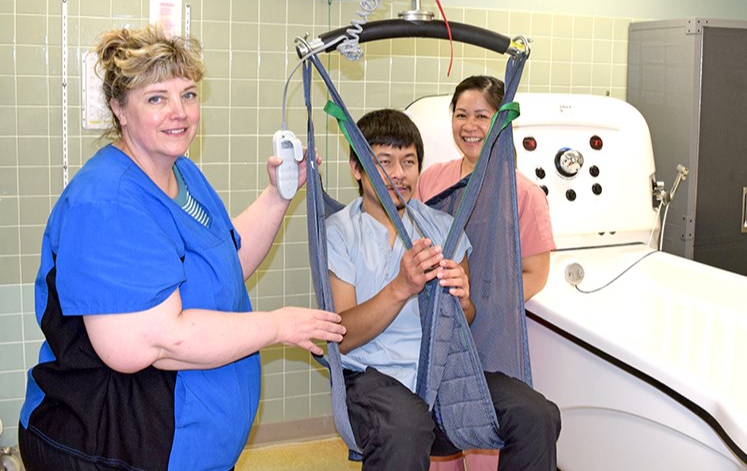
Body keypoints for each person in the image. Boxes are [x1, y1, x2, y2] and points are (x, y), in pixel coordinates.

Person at [18, 26, 345, 471]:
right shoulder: (108, 202)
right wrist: (276, 326)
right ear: (119, 108)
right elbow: (147, 341)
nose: (180, 112)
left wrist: (278, 196)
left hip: (195, 443)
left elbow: (225, 262)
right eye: (157, 98)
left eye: (188, 95)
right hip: (116, 445)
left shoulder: (181, 172)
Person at [326, 109, 560, 471]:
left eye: (408, 161)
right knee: (406, 426)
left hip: (443, 372)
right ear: (357, 169)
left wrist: (464, 300)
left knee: (536, 414)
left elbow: (464, 318)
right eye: (384, 161)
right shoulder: (340, 232)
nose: (398, 174)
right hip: (372, 375)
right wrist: (401, 288)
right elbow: (341, 336)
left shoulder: (442, 227)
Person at [416, 75, 556, 471]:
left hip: (491, 335)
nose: (469, 126)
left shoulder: (523, 194)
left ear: (501, 122)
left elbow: (537, 273)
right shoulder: (433, 180)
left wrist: (482, 302)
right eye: (461, 115)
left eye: (481, 115)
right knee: (439, 447)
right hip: (441, 330)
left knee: (484, 444)